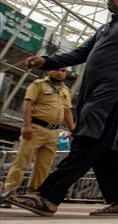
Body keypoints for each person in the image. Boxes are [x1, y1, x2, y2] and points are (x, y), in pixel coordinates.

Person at [10, 0, 118, 216]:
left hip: (114, 94)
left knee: (87, 141)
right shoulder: (104, 29)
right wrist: (46, 61)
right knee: (108, 151)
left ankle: (48, 196)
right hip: (95, 94)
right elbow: (78, 54)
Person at [1, 68, 75, 202]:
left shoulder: (65, 90)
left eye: (63, 71)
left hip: (53, 132)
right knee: (22, 160)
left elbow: (67, 112)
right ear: (49, 71)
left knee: (44, 166)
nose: (60, 73)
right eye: (57, 69)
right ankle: (7, 192)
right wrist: (27, 125)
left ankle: (33, 194)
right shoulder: (38, 84)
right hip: (36, 128)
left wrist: (73, 130)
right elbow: (27, 103)